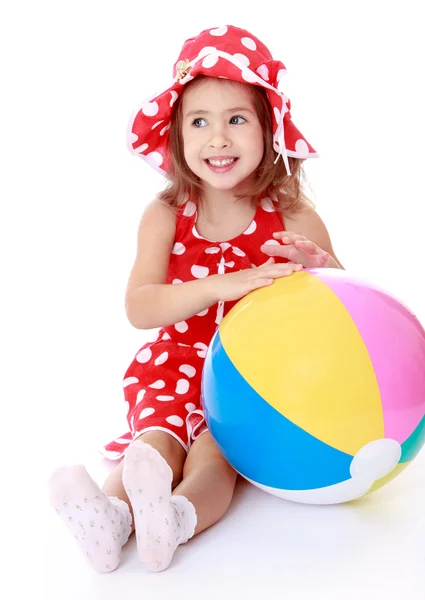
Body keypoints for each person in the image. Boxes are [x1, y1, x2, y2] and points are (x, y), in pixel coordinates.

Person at [48, 24, 343, 574]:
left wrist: (321, 267)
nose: (218, 139)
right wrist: (216, 286)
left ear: (268, 128)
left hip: (256, 375)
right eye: (199, 121)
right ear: (177, 135)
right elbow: (140, 307)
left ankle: (177, 519)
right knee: (153, 443)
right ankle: (111, 516)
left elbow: (347, 311)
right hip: (177, 362)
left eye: (237, 119)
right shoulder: (165, 214)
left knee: (214, 454)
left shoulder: (293, 214)